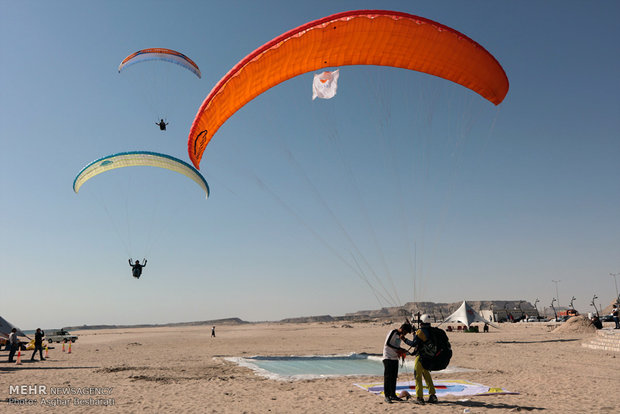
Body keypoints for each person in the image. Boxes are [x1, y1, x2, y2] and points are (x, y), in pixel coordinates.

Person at [403, 314, 438, 405]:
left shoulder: (421, 332)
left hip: (421, 357)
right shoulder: (431, 331)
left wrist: (404, 339)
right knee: (426, 375)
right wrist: (415, 332)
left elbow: (413, 344)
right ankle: (433, 395)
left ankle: (420, 397)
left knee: (418, 376)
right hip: (429, 357)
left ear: (421, 322)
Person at [382, 322, 412, 403]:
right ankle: (387, 396)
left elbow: (396, 346)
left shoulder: (400, 336)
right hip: (388, 357)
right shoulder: (393, 332)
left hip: (395, 358)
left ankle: (393, 395)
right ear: (402, 329)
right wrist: (399, 349)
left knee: (394, 377)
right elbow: (388, 343)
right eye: (405, 332)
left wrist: (402, 350)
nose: (405, 335)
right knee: (388, 377)